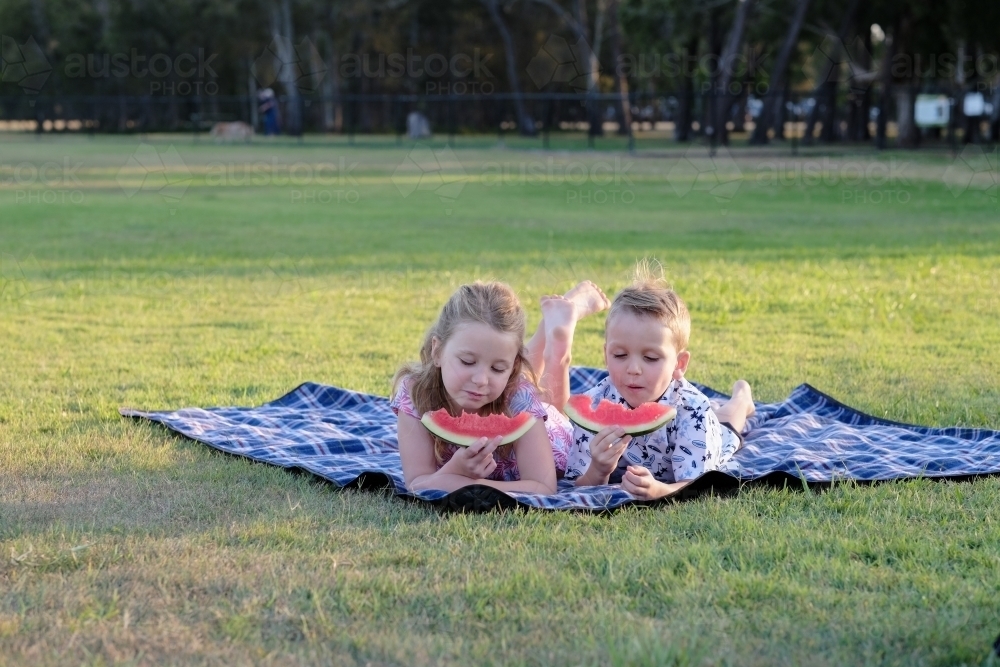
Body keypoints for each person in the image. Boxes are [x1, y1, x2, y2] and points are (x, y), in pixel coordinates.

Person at [392, 280, 609, 494]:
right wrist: (454, 470)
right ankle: (549, 325)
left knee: (554, 407)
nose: (481, 380)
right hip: (512, 390)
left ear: (512, 367)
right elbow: (416, 482)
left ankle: (558, 348)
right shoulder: (415, 394)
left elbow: (543, 486)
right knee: (513, 375)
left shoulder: (521, 399)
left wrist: (462, 481)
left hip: (553, 434)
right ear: (437, 351)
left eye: (497, 369)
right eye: (467, 362)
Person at [564, 260, 755, 500]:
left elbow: (698, 485)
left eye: (651, 358)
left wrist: (660, 491)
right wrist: (598, 470)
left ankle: (742, 397)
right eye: (620, 355)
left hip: (710, 432)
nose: (633, 369)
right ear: (605, 354)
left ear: (679, 364)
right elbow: (577, 484)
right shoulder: (594, 404)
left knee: (729, 425)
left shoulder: (693, 410)